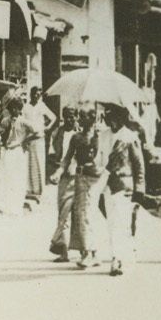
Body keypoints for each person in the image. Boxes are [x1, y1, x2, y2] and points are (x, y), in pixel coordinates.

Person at [58, 107, 109, 269]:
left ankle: (89, 253)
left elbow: (104, 159)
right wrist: (58, 172)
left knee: (88, 213)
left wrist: (97, 142)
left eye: (84, 117)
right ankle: (91, 252)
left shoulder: (99, 137)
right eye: (80, 117)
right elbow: (67, 158)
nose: (80, 120)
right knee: (80, 214)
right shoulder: (76, 138)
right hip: (79, 178)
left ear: (92, 119)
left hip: (95, 179)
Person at [103, 105, 145, 277]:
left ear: (121, 118)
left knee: (121, 223)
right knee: (112, 223)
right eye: (107, 117)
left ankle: (117, 259)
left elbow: (138, 164)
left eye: (113, 117)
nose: (110, 120)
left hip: (124, 185)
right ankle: (118, 255)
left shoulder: (130, 137)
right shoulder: (103, 135)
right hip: (106, 185)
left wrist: (140, 187)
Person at [0, 95, 29, 216]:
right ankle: (4, 205)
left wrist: (22, 140)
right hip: (8, 151)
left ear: (19, 108)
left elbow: (37, 132)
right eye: (11, 108)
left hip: (18, 152)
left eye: (15, 108)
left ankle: (15, 207)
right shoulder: (5, 121)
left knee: (17, 180)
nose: (13, 110)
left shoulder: (24, 121)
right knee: (1, 177)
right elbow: (2, 137)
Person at [47, 108, 79, 261]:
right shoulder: (57, 133)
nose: (69, 120)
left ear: (76, 117)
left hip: (80, 177)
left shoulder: (81, 134)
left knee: (80, 215)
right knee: (63, 214)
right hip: (64, 177)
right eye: (66, 117)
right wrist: (58, 168)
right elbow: (51, 156)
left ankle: (85, 250)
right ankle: (63, 250)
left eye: (72, 117)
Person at [23, 87, 56, 206]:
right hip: (28, 137)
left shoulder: (41, 106)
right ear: (31, 94)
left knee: (39, 161)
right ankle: (29, 189)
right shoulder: (26, 107)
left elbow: (53, 117)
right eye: (35, 94)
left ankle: (39, 190)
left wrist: (47, 128)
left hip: (39, 137)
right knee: (28, 162)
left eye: (39, 95)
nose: (37, 96)